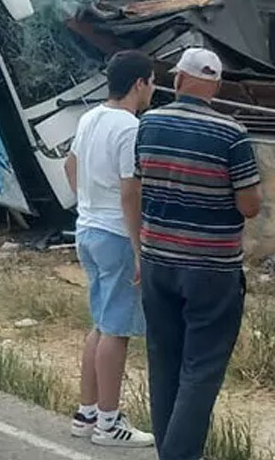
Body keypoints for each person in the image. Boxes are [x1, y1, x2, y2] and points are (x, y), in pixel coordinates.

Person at [135, 48, 262, 460]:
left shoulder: (149, 123)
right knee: (202, 370)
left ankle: (169, 451)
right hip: (211, 268)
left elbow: (142, 180)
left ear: (180, 80)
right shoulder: (232, 134)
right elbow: (249, 206)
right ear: (216, 85)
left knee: (164, 361)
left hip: (157, 259)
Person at [62, 50, 157, 447]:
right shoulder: (129, 127)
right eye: (152, 82)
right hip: (117, 235)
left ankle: (86, 413)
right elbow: (130, 191)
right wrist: (139, 247)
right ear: (139, 84)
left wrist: (86, 203)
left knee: (101, 324)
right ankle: (108, 421)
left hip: (88, 228)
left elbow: (70, 165)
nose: (153, 90)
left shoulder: (90, 118)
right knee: (117, 330)